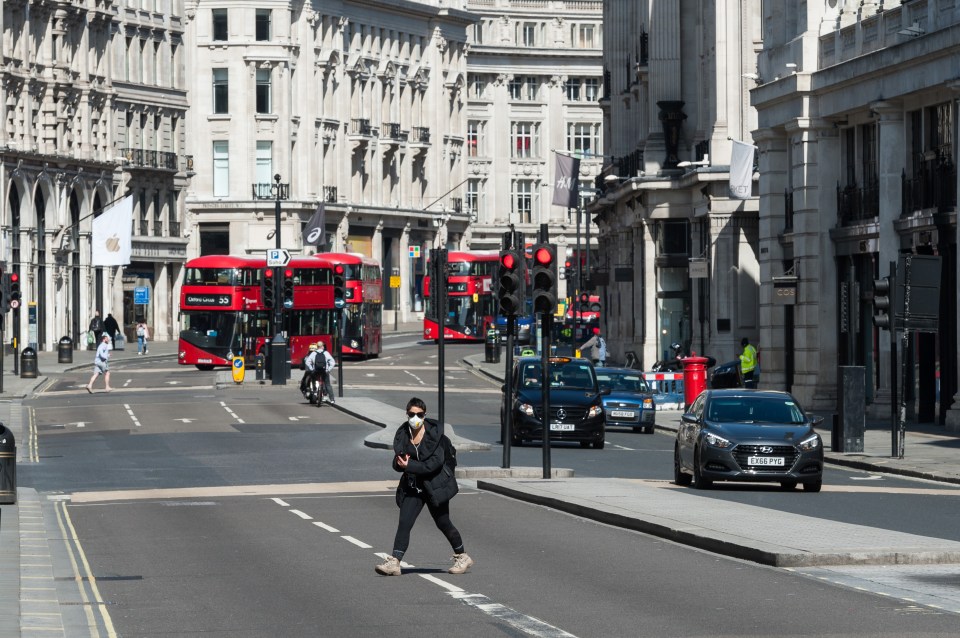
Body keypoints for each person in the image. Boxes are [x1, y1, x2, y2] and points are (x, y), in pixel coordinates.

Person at [376, 397, 472, 576]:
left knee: (443, 523)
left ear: (425, 415)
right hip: (413, 486)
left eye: (419, 414)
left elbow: (434, 465)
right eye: (412, 414)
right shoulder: (404, 434)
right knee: (404, 522)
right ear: (407, 414)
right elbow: (397, 464)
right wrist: (400, 464)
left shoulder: (435, 437)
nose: (415, 418)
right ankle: (395, 562)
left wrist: (409, 466)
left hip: (434, 486)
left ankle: (462, 556)